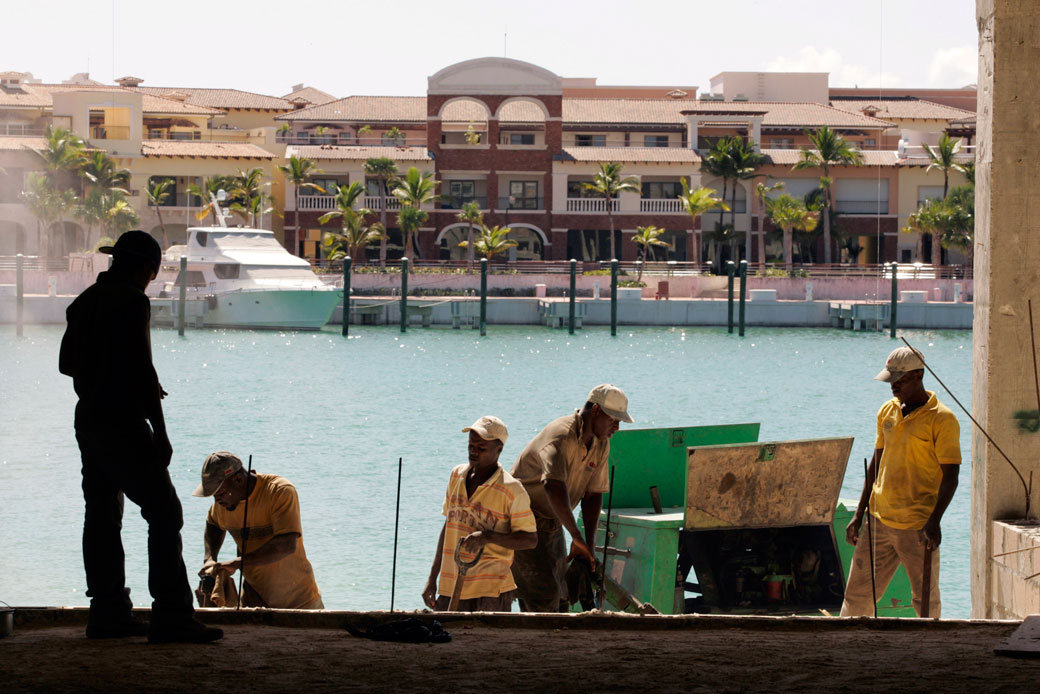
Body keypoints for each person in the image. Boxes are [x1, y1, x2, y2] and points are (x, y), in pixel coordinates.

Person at [59, 230, 222, 643]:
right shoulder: (132, 301)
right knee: (165, 513)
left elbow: (66, 365)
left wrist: (104, 373)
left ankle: (107, 612)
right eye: (152, 272)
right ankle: (170, 616)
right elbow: (143, 373)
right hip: (121, 422)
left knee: (101, 514)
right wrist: (161, 433)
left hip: (89, 420)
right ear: (145, 269)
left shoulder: (85, 302)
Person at [841, 346, 961, 618]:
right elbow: (875, 464)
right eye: (890, 380)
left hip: (917, 526)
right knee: (857, 596)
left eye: (900, 380)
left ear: (919, 375)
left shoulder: (943, 419)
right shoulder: (887, 411)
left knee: (925, 602)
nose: (894, 386)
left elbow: (951, 476)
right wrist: (859, 514)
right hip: (878, 522)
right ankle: (848, 650)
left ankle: (927, 653)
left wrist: (934, 521)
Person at [509, 384, 633, 612]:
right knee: (542, 596)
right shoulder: (561, 435)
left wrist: (588, 544)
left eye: (620, 422)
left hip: (554, 520)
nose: (616, 427)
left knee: (563, 595)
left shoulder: (601, 443)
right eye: (613, 419)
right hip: (521, 520)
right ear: (595, 410)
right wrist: (575, 535)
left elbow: (593, 494)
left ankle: (558, 644)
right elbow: (552, 485)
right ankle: (540, 646)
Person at [422, 416, 537, 612]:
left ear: (498, 450)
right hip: (451, 585)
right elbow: (448, 527)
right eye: (471, 446)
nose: (474, 452)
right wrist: (432, 579)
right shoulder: (457, 475)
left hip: (490, 591)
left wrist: (487, 537)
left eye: (481, 448)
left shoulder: (512, 490)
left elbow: (530, 539)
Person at [195, 452, 323, 609]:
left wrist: (236, 564)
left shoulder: (279, 491)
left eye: (219, 493)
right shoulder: (224, 503)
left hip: (299, 601)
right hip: (253, 599)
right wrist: (209, 558)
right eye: (213, 496)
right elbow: (213, 523)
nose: (217, 501)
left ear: (238, 479)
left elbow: (286, 545)